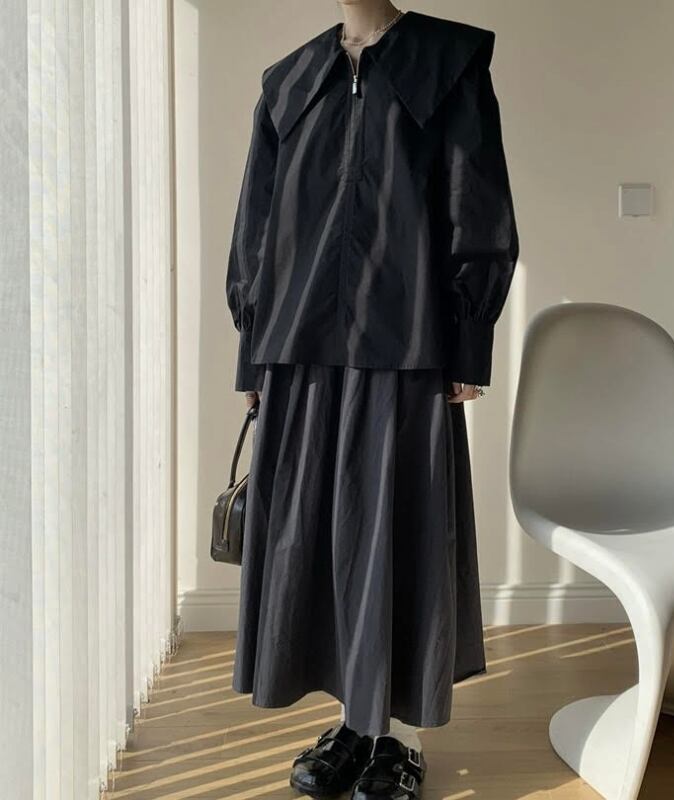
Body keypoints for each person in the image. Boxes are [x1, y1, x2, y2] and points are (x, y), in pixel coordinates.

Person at [224, 1, 518, 797]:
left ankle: (399, 738)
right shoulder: (290, 81)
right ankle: (354, 728)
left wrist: (468, 338)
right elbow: (257, 225)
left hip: (408, 342)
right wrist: (253, 348)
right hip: (299, 347)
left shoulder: (448, 64)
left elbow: (477, 201)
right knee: (321, 545)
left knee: (398, 537)